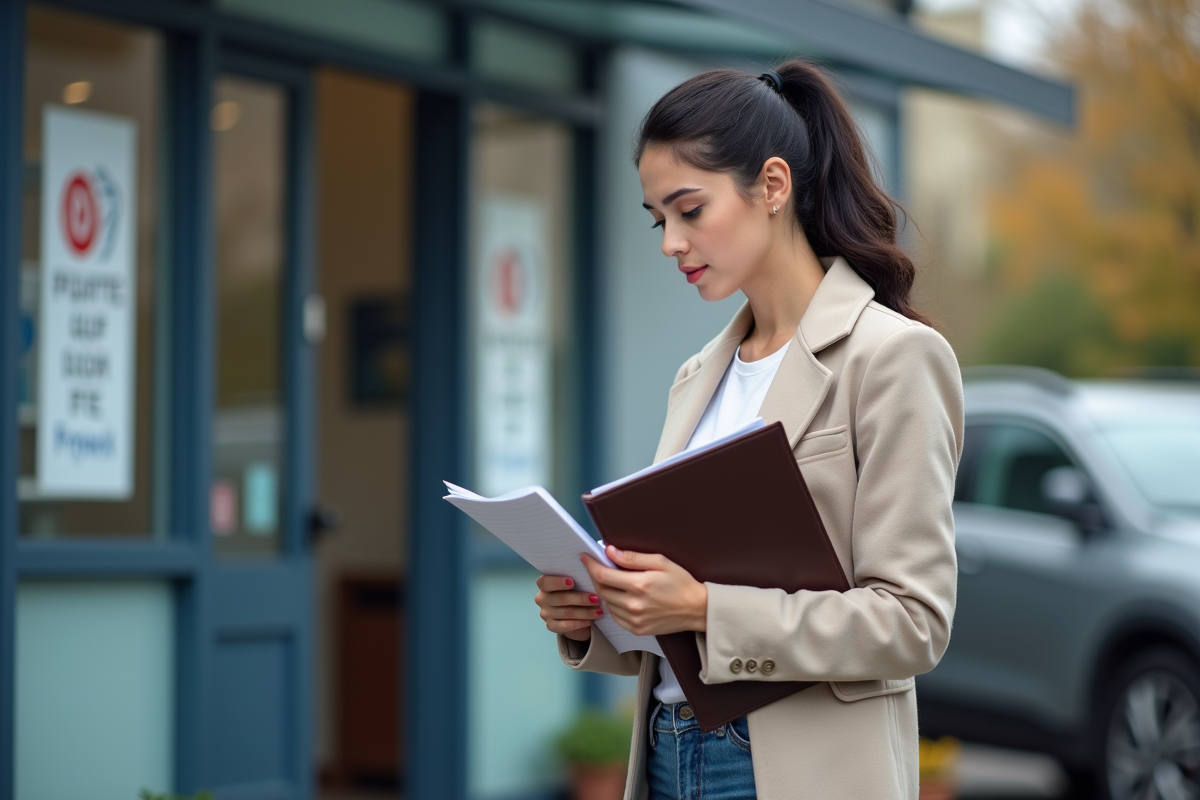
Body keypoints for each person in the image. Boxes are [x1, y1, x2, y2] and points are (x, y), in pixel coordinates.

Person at [534, 59, 963, 800]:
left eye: (689, 210)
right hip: (669, 754)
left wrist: (702, 607)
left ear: (772, 186)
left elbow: (912, 623)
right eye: (658, 219)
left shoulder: (893, 357)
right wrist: (598, 613)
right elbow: (677, 623)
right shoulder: (698, 374)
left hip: (798, 769)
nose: (670, 241)